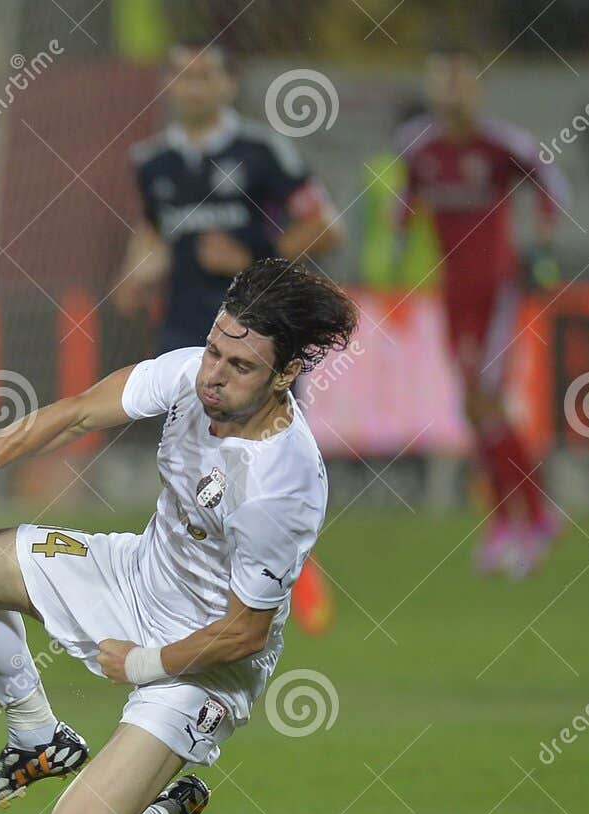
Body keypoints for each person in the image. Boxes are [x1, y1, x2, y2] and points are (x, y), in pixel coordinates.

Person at [0, 260, 356, 814]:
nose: (213, 377)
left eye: (240, 366)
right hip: (132, 573)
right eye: (213, 352)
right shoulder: (187, 376)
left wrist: (144, 664)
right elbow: (73, 414)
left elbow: (246, 631)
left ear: (287, 374)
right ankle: (36, 734)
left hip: (203, 659)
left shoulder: (281, 485)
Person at [117, 40, 345, 635]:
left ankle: (283, 582)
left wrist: (252, 255)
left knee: (262, 465)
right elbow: (152, 231)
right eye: (180, 75)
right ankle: (193, 589)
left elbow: (326, 226)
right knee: (188, 469)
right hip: (184, 336)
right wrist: (136, 272)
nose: (191, 86)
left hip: (258, 343)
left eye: (205, 75)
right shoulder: (152, 162)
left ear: (227, 85)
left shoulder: (261, 152)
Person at [397, 47, 568, 579]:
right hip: (453, 295)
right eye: (443, 80)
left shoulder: (501, 145)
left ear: (477, 89)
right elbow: (404, 206)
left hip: (496, 291)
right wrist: (400, 245)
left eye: (461, 81)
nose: (452, 91)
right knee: (474, 409)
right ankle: (507, 520)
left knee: (484, 400)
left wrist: (541, 244)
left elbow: (551, 187)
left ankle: (532, 518)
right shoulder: (419, 149)